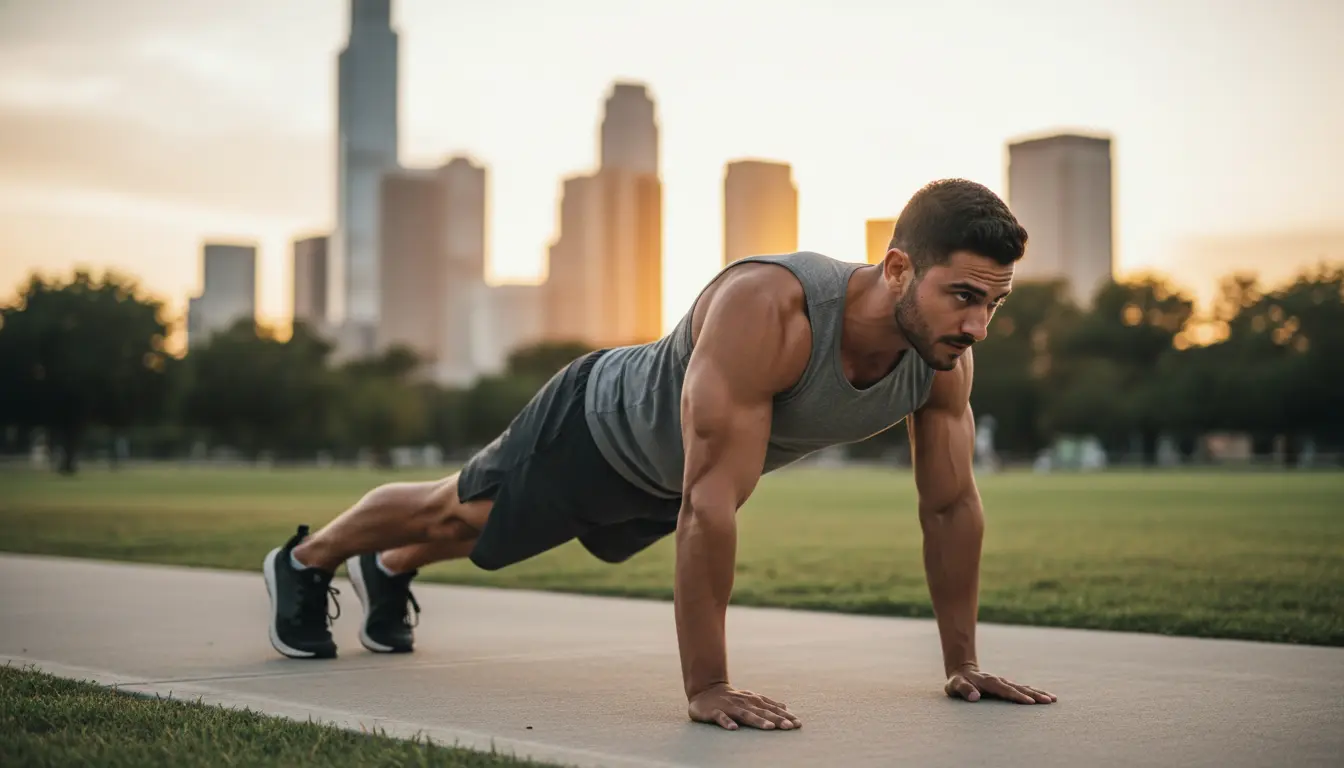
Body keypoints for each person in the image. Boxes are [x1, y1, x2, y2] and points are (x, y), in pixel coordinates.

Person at [261, 178, 1057, 732]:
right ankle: (306, 560)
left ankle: (391, 568)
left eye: (996, 302)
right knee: (460, 511)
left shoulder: (944, 360)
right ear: (898, 268)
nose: (979, 324)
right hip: (598, 424)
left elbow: (950, 505)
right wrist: (706, 686)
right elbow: (710, 503)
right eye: (964, 296)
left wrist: (964, 663)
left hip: (659, 478)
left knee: (488, 542)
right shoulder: (771, 308)